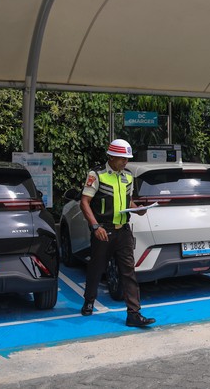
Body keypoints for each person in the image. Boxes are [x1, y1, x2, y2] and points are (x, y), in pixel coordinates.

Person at [79, 138, 155, 327]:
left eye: (127, 158)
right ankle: (89, 300)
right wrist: (96, 226)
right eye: (122, 158)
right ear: (111, 157)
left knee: (128, 271)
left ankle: (134, 314)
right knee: (96, 268)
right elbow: (84, 202)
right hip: (104, 231)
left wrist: (138, 209)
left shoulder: (127, 176)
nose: (125, 162)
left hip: (123, 232)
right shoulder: (97, 175)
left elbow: (128, 202)